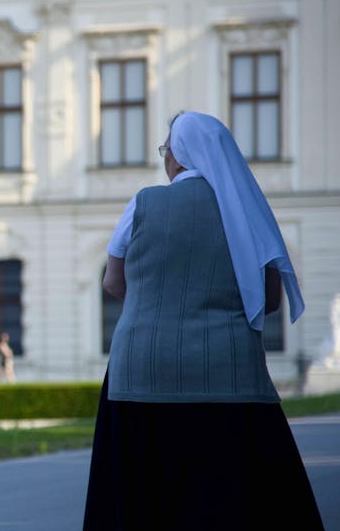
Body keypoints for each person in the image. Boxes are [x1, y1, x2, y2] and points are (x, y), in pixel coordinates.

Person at [83, 112, 324, 530]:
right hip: (229, 375)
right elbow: (268, 300)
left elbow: (113, 281)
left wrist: (158, 303)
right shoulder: (245, 208)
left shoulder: (144, 202)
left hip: (143, 372)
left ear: (177, 156)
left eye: (166, 150)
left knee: (144, 503)